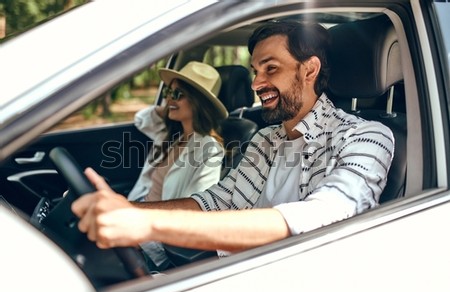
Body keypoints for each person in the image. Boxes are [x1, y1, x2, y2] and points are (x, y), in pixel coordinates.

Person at [72, 20, 394, 259]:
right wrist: (131, 212)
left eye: (270, 69)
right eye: (255, 71)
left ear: (309, 71)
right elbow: (213, 202)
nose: (257, 83)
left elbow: (319, 217)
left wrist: (148, 224)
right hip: (232, 273)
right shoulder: (267, 140)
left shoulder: (367, 137)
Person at [126, 61, 228, 269]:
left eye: (178, 94)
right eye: (168, 92)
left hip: (153, 239)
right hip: (135, 214)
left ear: (198, 102)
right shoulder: (171, 134)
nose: (169, 98)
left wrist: (138, 230)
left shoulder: (209, 149)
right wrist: (169, 105)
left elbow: (196, 207)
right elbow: (141, 119)